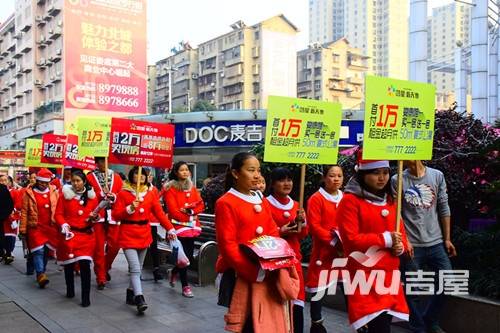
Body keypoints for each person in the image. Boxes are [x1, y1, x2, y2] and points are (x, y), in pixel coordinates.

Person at [215, 152, 299, 332]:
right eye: (251, 170)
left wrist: (276, 262)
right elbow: (227, 246)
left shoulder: (260, 198)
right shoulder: (226, 202)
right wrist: (254, 272)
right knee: (248, 324)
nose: (257, 175)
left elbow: (272, 231)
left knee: (265, 321)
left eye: (258, 170)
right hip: (241, 273)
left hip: (266, 270)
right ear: (236, 174)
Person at [338, 153, 409, 333]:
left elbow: (400, 231)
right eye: (376, 173)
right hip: (364, 273)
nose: (382, 177)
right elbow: (351, 239)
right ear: (363, 174)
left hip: (388, 273)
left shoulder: (392, 199)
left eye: (385, 172)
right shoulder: (350, 200)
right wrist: (385, 239)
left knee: (383, 324)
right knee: (377, 325)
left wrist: (401, 246)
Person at [393, 160, 455, 333]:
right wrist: (406, 241)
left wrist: (447, 239)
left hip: (435, 242)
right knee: (413, 292)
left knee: (448, 282)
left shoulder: (436, 176)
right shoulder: (397, 179)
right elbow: (396, 214)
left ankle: (430, 319)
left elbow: (444, 207)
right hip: (412, 245)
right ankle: (418, 327)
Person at [113, 166, 176, 314]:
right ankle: (139, 298)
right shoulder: (123, 193)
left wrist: (170, 228)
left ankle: (130, 292)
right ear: (131, 175)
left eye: (144, 174)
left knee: (138, 268)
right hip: (127, 234)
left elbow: (159, 213)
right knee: (135, 269)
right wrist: (129, 209)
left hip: (144, 234)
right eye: (137, 173)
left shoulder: (151, 192)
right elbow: (115, 215)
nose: (141, 176)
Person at [265, 167, 307, 333]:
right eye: (282, 180)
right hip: (275, 262)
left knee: (297, 302)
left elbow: (303, 235)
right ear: (273, 184)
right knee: (278, 303)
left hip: (294, 260)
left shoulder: (297, 205)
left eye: (289, 180)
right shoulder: (265, 204)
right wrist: (280, 231)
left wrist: (302, 222)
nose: (287, 183)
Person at [305, 165, 345, 333]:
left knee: (349, 287)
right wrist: (334, 241)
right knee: (318, 289)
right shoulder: (316, 198)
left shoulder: (346, 198)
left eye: (339, 175)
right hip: (324, 251)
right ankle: (316, 322)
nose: (336, 179)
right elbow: (314, 226)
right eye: (332, 175)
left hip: (344, 252)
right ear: (324, 178)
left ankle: (360, 322)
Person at [55, 169, 99, 307]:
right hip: (71, 235)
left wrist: (95, 217)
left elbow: (98, 214)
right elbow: (58, 214)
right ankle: (70, 289)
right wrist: (64, 225)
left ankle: (86, 297)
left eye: (78, 181)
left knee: (85, 265)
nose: (75, 183)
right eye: (73, 181)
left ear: (84, 181)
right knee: (69, 264)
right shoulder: (64, 196)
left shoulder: (92, 197)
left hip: (86, 236)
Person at [163, 161, 205, 297]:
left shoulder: (192, 187)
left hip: (191, 227)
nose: (185, 172)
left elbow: (200, 205)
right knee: (183, 258)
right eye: (182, 170)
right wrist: (189, 214)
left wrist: (190, 213)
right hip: (178, 227)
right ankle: (185, 286)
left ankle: (174, 272)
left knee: (187, 258)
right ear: (176, 172)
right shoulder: (170, 189)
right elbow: (173, 211)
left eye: (187, 170)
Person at [86, 157, 123, 289]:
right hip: (98, 216)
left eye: (105, 161)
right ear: (97, 162)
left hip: (113, 215)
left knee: (115, 245)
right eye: (100, 161)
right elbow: (87, 195)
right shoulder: (89, 177)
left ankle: (105, 267)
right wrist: (99, 194)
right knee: (98, 248)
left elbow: (121, 193)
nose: (103, 163)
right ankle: (101, 276)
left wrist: (114, 196)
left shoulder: (116, 176)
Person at [19, 168, 59, 288]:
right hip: (35, 227)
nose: (44, 185)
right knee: (38, 251)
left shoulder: (54, 192)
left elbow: (58, 208)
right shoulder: (29, 193)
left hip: (50, 227)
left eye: (46, 183)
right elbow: (24, 212)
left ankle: (42, 271)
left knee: (46, 251)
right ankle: (40, 274)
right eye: (42, 182)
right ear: (37, 181)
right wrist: (22, 229)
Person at [1, 175, 21, 264]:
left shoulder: (15, 192)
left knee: (10, 236)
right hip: (2, 218)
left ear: (9, 182)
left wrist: (13, 210)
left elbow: (18, 204)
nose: (3, 182)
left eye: (5, 180)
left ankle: (9, 252)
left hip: (11, 218)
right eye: (1, 180)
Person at [0, 176, 14, 264]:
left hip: (3, 219)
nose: (3, 182)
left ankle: (6, 253)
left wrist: (2, 216)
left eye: (5, 180)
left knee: (7, 237)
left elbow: (9, 205)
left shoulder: (3, 189)